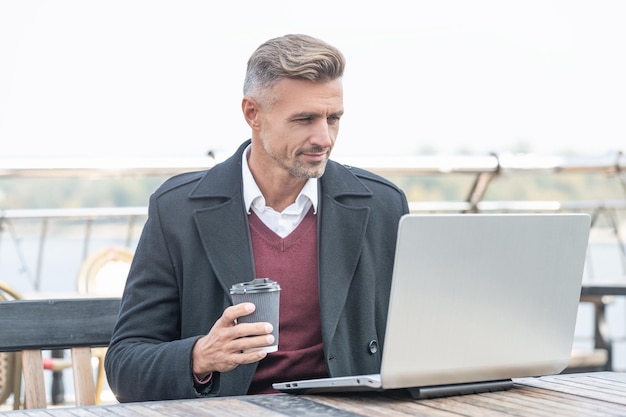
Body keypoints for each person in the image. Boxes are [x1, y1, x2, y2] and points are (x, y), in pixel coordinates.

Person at [104, 33, 409, 402]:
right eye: (304, 119)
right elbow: (125, 366)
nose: (324, 137)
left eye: (334, 118)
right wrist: (200, 357)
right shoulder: (177, 211)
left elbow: (414, 340)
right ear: (253, 113)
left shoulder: (383, 205)